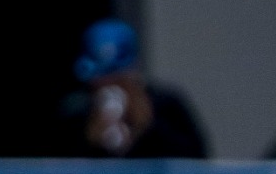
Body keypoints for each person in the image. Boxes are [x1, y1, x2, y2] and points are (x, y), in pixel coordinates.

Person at [62, 19, 208, 159]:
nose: (107, 83)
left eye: (116, 77)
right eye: (101, 77)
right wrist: (93, 136)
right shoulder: (78, 109)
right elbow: (60, 163)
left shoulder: (166, 105)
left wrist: (147, 125)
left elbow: (196, 162)